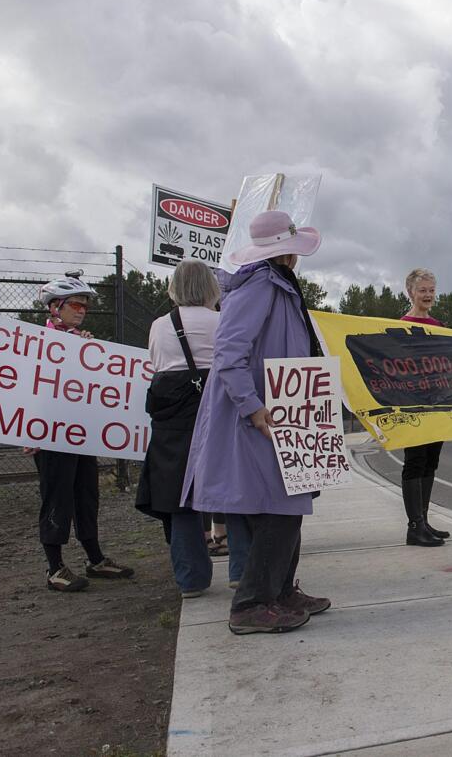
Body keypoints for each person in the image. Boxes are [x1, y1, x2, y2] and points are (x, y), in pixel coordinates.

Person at [181, 210, 332, 635]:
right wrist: (251, 406)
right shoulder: (261, 284)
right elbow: (229, 351)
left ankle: (280, 591)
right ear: (287, 251)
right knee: (277, 507)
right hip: (264, 413)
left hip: (284, 405)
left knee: (291, 502)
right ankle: (251, 603)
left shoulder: (275, 284)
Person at [136, 260, 249, 597]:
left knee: (178, 496)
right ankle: (242, 569)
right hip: (216, 408)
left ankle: (191, 578)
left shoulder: (159, 325)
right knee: (234, 488)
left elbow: (157, 365)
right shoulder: (224, 320)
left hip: (172, 417)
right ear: (212, 287)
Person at [28, 272, 134, 591]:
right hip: (50, 433)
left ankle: (95, 559)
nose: (82, 309)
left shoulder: (78, 341)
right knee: (57, 497)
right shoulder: (37, 344)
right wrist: (27, 430)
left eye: (85, 304)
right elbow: (27, 387)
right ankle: (54, 568)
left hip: (80, 432)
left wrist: (88, 358)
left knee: (87, 495)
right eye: (75, 303)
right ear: (55, 308)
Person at [398, 268, 448, 547]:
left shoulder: (439, 325)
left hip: (437, 404)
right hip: (412, 406)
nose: (428, 295)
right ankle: (414, 526)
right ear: (411, 293)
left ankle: (424, 520)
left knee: (431, 461)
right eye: (422, 291)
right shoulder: (400, 325)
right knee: (414, 461)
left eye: (431, 290)